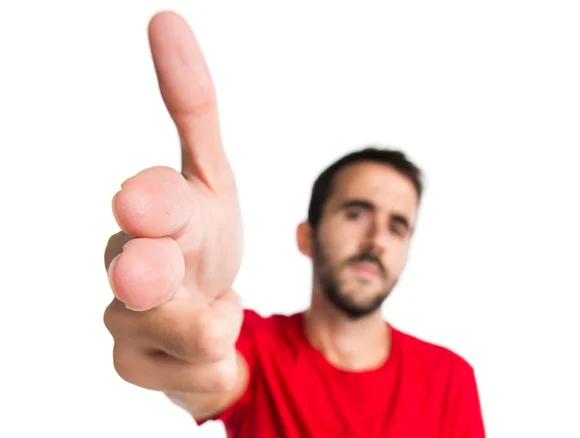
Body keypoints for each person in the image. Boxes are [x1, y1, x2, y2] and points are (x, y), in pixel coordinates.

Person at [103, 10, 486, 437]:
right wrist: (184, 315)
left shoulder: (449, 379)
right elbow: (213, 372)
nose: (377, 239)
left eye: (397, 226)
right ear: (307, 236)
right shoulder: (253, 347)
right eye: (356, 213)